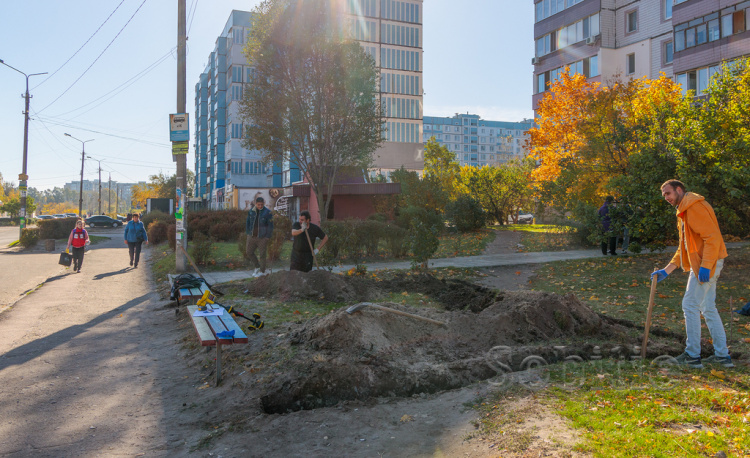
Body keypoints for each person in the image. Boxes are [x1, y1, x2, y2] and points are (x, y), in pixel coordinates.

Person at [650, 179, 733, 368]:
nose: (666, 198)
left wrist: (706, 266)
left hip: (706, 263)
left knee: (690, 305)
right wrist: (668, 270)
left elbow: (712, 238)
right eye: (664, 195)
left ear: (679, 190)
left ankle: (692, 356)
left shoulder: (694, 207)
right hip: (706, 262)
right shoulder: (683, 210)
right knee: (708, 307)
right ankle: (722, 356)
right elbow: (684, 247)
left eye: (668, 193)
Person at [245, 197, 274, 277]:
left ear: (263, 203)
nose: (260, 206)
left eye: (262, 204)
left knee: (262, 255)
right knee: (249, 252)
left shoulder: (267, 212)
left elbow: (270, 226)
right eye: (258, 205)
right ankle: (257, 266)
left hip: (262, 237)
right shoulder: (251, 211)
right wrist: (248, 232)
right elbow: (247, 222)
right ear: (255, 203)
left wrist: (267, 237)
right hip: (251, 236)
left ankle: (262, 271)